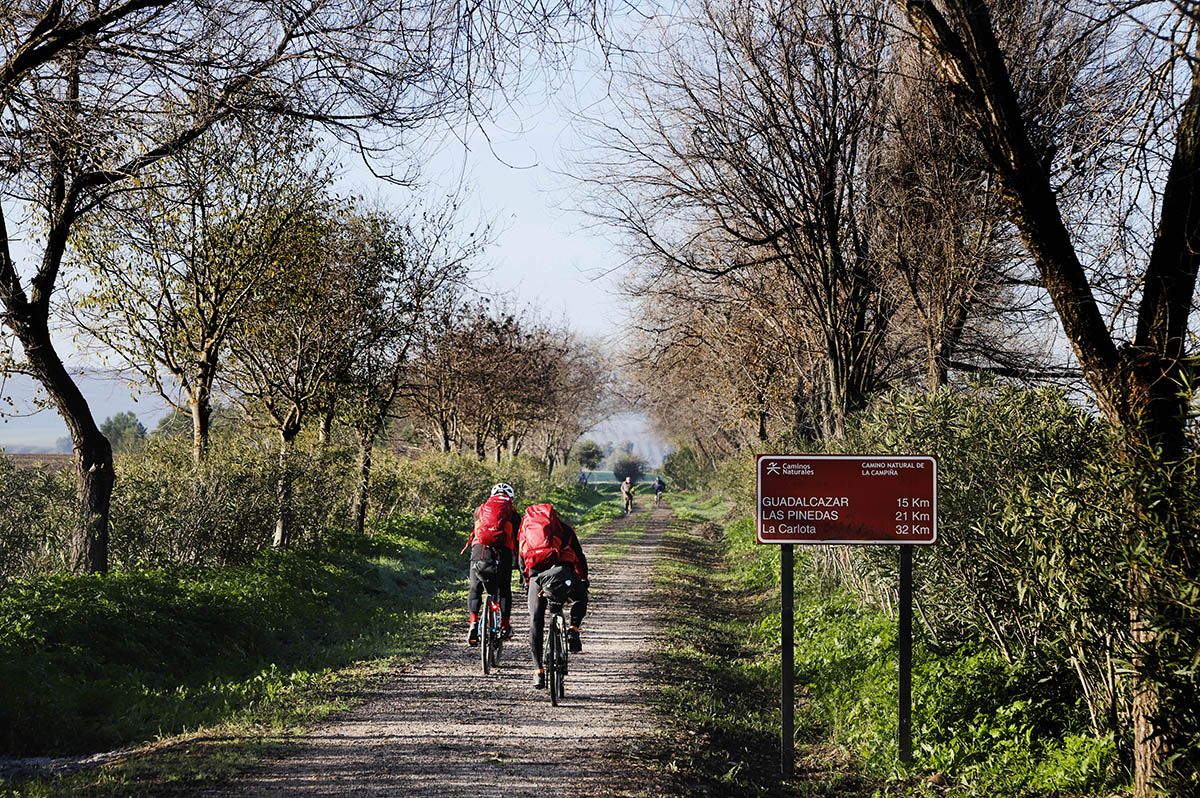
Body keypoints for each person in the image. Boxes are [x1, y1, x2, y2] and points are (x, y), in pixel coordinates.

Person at [517, 503, 589, 689]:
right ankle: (573, 628)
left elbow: (520, 559)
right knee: (580, 597)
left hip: (537, 577)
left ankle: (538, 671)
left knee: (536, 620)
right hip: (563, 574)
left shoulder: (526, 530)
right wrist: (583, 579)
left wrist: (528, 581)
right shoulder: (564, 529)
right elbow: (580, 557)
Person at [464, 482, 520, 646]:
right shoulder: (514, 514)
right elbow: (517, 540)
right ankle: (504, 625)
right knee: (504, 589)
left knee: (475, 588)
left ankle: (474, 622)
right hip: (503, 553)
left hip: (480, 551)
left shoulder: (480, 510)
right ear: (510, 497)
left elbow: (476, 531)